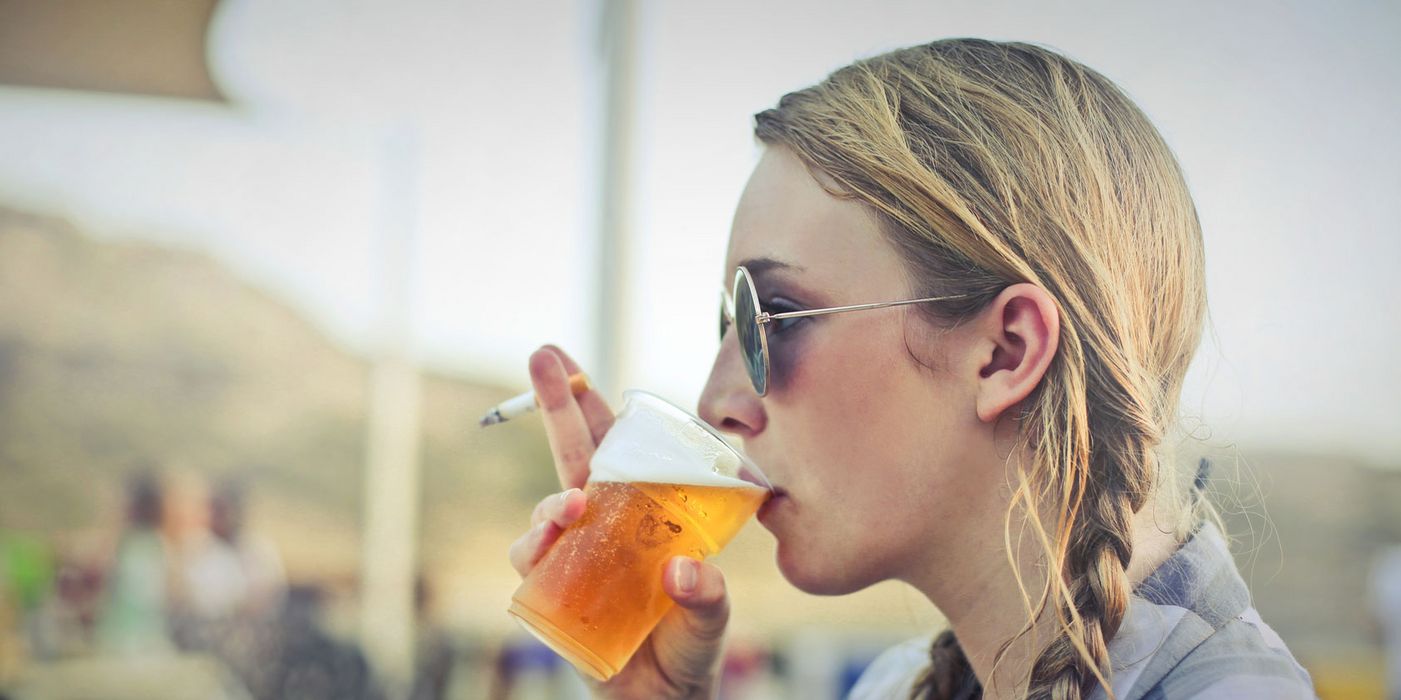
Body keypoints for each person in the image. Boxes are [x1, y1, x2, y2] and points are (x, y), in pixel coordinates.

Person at [509, 38, 1316, 699]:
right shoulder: (900, 687)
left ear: (1005, 353)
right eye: (729, 324)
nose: (717, 399)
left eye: (771, 319)